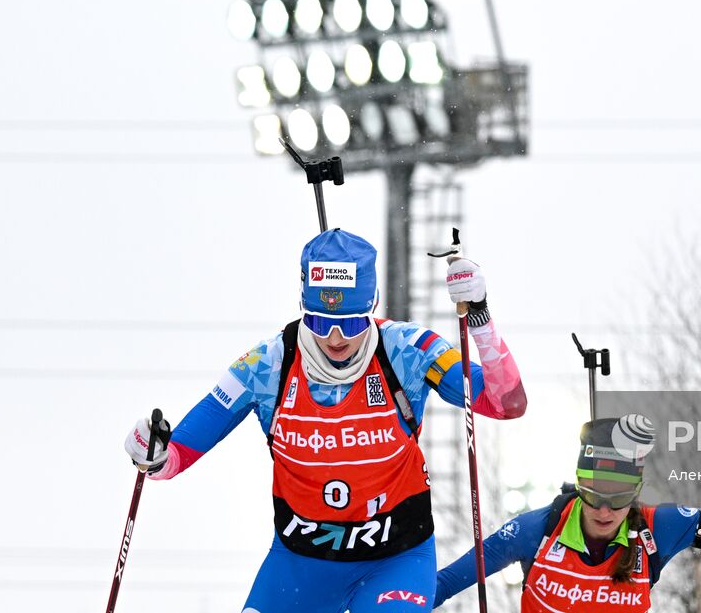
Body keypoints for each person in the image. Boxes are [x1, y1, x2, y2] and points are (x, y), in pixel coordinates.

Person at [123, 228, 526, 613]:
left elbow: (505, 403)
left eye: (350, 323)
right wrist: (154, 455)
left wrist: (480, 317)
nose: (335, 337)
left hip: (395, 558)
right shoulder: (269, 363)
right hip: (301, 562)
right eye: (318, 320)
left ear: (372, 307)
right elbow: (175, 455)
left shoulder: (407, 351)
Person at [434, 414, 701, 611]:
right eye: (593, 495)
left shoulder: (659, 528)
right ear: (579, 485)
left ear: (635, 493)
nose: (604, 510)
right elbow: (442, 585)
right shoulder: (537, 530)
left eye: (618, 499)